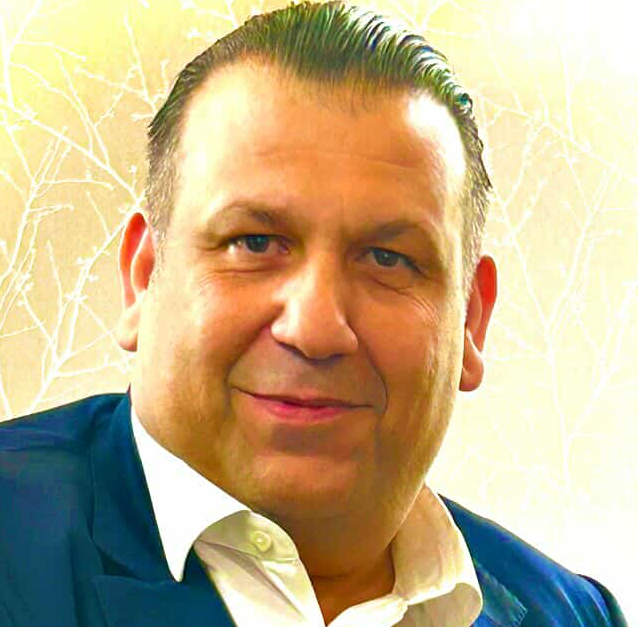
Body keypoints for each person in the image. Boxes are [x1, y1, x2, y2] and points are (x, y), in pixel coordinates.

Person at [0, 2, 628, 626]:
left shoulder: (573, 615)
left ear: (469, 322)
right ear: (143, 277)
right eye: (255, 243)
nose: (316, 329)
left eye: (387, 258)